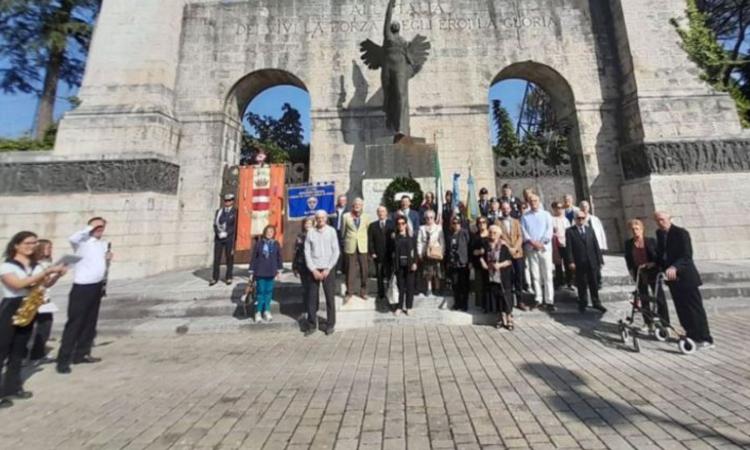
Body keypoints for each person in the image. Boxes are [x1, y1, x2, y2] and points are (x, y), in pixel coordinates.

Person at [1, 232, 66, 407]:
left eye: (34, 243)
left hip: (29, 307)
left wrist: (57, 275)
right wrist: (46, 271)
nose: (32, 246)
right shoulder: (6, 266)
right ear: (16, 245)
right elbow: (18, 284)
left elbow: (43, 284)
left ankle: (12, 388)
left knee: (18, 352)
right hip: (11, 307)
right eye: (28, 243)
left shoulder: (36, 266)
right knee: (2, 350)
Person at [57, 217, 112, 374]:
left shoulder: (102, 244)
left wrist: (107, 258)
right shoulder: (81, 242)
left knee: (90, 323)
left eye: (102, 226)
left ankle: (81, 354)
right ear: (90, 227)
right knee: (75, 323)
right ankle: (63, 360)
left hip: (96, 286)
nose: (100, 229)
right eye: (97, 226)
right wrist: (90, 228)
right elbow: (72, 238)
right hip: (82, 287)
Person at [654, 212, 713, 348]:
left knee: (694, 309)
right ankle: (691, 334)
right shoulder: (659, 234)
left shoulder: (681, 233)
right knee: (682, 309)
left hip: (686, 278)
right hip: (672, 280)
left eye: (662, 220)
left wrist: (675, 267)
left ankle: (705, 338)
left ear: (670, 219)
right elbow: (662, 254)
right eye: (657, 220)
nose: (660, 223)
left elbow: (687, 255)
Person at [624, 218, 669, 330]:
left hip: (653, 272)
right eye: (633, 229)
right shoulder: (628, 244)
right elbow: (628, 259)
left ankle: (665, 323)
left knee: (659, 298)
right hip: (639, 274)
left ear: (642, 229)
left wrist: (653, 264)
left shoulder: (651, 241)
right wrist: (631, 271)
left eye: (637, 229)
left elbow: (659, 257)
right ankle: (648, 323)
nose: (635, 231)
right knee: (644, 298)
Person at [304, 210, 340, 336]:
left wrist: (328, 268)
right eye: (318, 218)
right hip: (314, 269)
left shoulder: (331, 231)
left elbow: (336, 251)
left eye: (322, 218)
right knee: (312, 298)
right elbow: (307, 252)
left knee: (330, 298)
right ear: (315, 219)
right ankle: (312, 325)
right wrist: (313, 269)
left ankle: (330, 325)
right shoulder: (310, 232)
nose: (320, 220)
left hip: (328, 269)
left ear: (326, 218)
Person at [565, 211, 607, 313]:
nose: (581, 220)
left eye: (583, 218)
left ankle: (596, 302)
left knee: (594, 282)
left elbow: (595, 245)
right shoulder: (570, 231)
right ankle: (583, 302)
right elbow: (569, 248)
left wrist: (600, 260)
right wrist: (571, 261)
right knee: (582, 283)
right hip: (579, 261)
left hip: (591, 261)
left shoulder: (590, 230)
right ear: (575, 219)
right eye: (578, 218)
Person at [521, 194, 555, 311]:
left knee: (548, 275)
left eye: (535, 200)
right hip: (531, 248)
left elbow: (549, 230)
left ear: (539, 201)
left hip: (544, 248)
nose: (533, 203)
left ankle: (549, 300)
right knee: (535, 275)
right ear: (528, 203)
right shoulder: (525, 216)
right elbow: (524, 232)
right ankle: (538, 299)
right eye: (531, 201)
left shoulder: (546, 215)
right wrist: (532, 242)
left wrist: (542, 243)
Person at [28, 239, 58, 364]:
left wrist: (57, 275)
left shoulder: (47, 263)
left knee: (46, 325)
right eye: (48, 247)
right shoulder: (35, 264)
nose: (50, 250)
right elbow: (35, 282)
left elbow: (48, 284)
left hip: (45, 298)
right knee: (36, 327)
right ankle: (33, 355)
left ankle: (37, 354)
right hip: (35, 299)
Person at [481, 225, 514, 329]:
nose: (492, 234)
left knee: (506, 297)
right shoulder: (486, 245)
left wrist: (499, 265)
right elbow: (481, 257)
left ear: (499, 234)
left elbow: (509, 260)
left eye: (495, 233)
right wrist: (484, 265)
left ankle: (509, 318)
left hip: (503, 275)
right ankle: (500, 318)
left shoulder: (503, 246)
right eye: (490, 232)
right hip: (491, 276)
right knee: (496, 297)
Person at [249, 225, 283, 323]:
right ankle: (258, 312)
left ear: (274, 233)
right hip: (260, 271)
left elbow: (279, 257)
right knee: (260, 292)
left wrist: (279, 271)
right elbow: (254, 258)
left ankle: (267, 311)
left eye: (271, 232)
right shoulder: (259, 243)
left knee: (268, 292)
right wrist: (251, 271)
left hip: (271, 271)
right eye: (268, 231)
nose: (269, 233)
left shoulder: (276, 244)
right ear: (264, 232)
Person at [499, 201, 527, 310]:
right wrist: (508, 247)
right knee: (507, 278)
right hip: (506, 253)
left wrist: (515, 248)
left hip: (517, 253)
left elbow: (520, 236)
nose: (505, 210)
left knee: (519, 277)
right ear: (501, 210)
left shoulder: (516, 221)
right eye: (503, 208)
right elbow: (499, 237)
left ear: (510, 209)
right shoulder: (498, 222)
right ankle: (509, 302)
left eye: (507, 208)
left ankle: (520, 301)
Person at [342, 198, 370, 303]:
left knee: (364, 270)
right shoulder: (346, 216)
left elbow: (367, 231)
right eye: (355, 204)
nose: (357, 206)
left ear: (362, 206)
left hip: (363, 247)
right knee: (350, 271)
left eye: (359, 204)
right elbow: (343, 232)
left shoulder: (367, 217)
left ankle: (363, 291)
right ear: (352, 205)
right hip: (350, 246)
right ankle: (349, 292)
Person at [368, 206, 394, 304]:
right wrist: (372, 252)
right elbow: (370, 241)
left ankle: (389, 292)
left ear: (386, 213)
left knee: (389, 274)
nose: (381, 213)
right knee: (379, 274)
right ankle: (381, 293)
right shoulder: (373, 225)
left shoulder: (392, 224)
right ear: (377, 213)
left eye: (383, 211)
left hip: (389, 254)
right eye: (379, 211)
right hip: (378, 255)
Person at [211, 193, 238, 286]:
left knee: (229, 258)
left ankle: (228, 277)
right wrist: (218, 233)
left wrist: (227, 233)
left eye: (229, 201)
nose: (227, 202)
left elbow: (235, 226)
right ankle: (214, 278)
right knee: (216, 258)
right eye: (226, 201)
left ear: (233, 201)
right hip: (219, 238)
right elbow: (215, 224)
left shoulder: (235, 212)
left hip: (229, 238)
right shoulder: (219, 211)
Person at [392, 216, 417, 315]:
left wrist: (415, 262)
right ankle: (399, 307)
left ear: (406, 224)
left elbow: (415, 251)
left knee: (410, 287)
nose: (401, 225)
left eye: (403, 223)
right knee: (400, 287)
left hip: (409, 265)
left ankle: (409, 307)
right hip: (399, 266)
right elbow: (392, 252)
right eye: (399, 223)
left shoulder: (411, 237)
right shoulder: (395, 238)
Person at [416, 210, 444, 297]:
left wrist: (442, 252)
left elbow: (442, 241)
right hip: (426, 253)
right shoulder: (421, 228)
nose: (429, 219)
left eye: (431, 217)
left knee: (436, 272)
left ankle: (438, 289)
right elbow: (419, 241)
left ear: (434, 218)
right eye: (427, 217)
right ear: (425, 218)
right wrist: (419, 253)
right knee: (428, 272)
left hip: (435, 253)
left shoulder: (438, 228)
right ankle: (429, 289)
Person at [292, 218, 314, 325]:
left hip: (313, 266)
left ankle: (313, 311)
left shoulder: (316, 235)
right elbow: (296, 251)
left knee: (312, 290)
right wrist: (295, 266)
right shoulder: (300, 236)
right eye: (306, 223)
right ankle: (305, 310)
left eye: (310, 223)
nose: (308, 225)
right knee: (305, 289)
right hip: (302, 265)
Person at [446, 216, 471, 311]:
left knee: (464, 285)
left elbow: (469, 246)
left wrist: (469, 261)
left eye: (458, 222)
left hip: (463, 263)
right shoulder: (450, 234)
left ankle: (464, 304)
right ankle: (457, 303)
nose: (456, 224)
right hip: (453, 263)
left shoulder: (464, 232)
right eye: (454, 223)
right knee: (455, 284)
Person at [550, 202, 572, 290]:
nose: (560, 210)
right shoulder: (552, 219)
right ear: (554, 209)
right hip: (556, 244)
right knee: (558, 264)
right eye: (558, 208)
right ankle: (559, 282)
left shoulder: (565, 220)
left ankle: (569, 282)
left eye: (561, 208)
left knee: (567, 263)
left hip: (565, 243)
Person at [471, 217, 491, 312]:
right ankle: (483, 305)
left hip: (491, 264)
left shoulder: (491, 234)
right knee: (480, 285)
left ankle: (490, 305)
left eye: (484, 222)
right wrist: (478, 252)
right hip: (479, 263)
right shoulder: (475, 236)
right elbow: (472, 251)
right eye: (479, 222)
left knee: (490, 285)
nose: (482, 224)